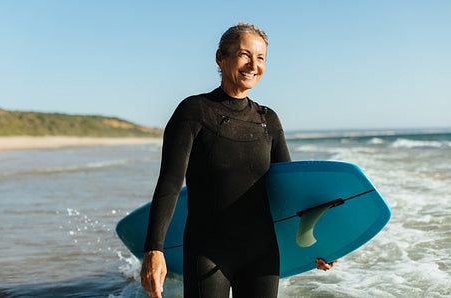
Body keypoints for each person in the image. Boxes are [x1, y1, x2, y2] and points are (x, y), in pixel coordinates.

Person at [140, 22, 338, 298]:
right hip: (207, 252)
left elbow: (287, 193)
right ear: (221, 57)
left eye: (261, 58)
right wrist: (154, 250)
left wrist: (315, 248)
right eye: (244, 55)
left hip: (263, 255)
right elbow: (170, 184)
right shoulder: (194, 111)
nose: (253, 65)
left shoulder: (268, 119)